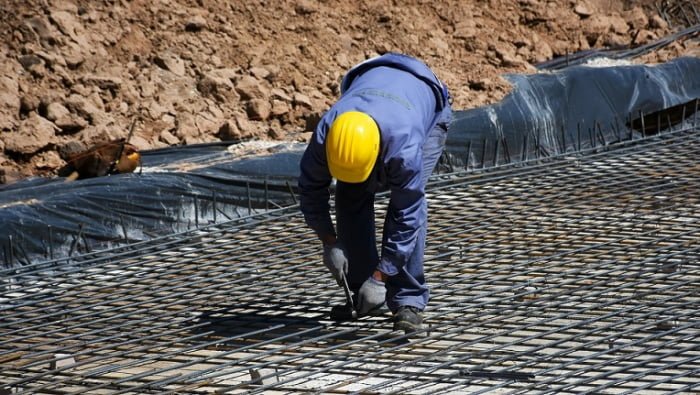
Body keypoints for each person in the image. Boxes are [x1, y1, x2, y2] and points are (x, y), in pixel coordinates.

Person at [298, 52, 452, 334]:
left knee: (405, 210)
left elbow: (407, 214)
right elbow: (310, 188)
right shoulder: (327, 133)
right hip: (374, 89)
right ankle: (360, 291)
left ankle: (408, 301)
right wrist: (329, 241)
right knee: (350, 194)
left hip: (427, 104)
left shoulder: (404, 147)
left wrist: (382, 275)